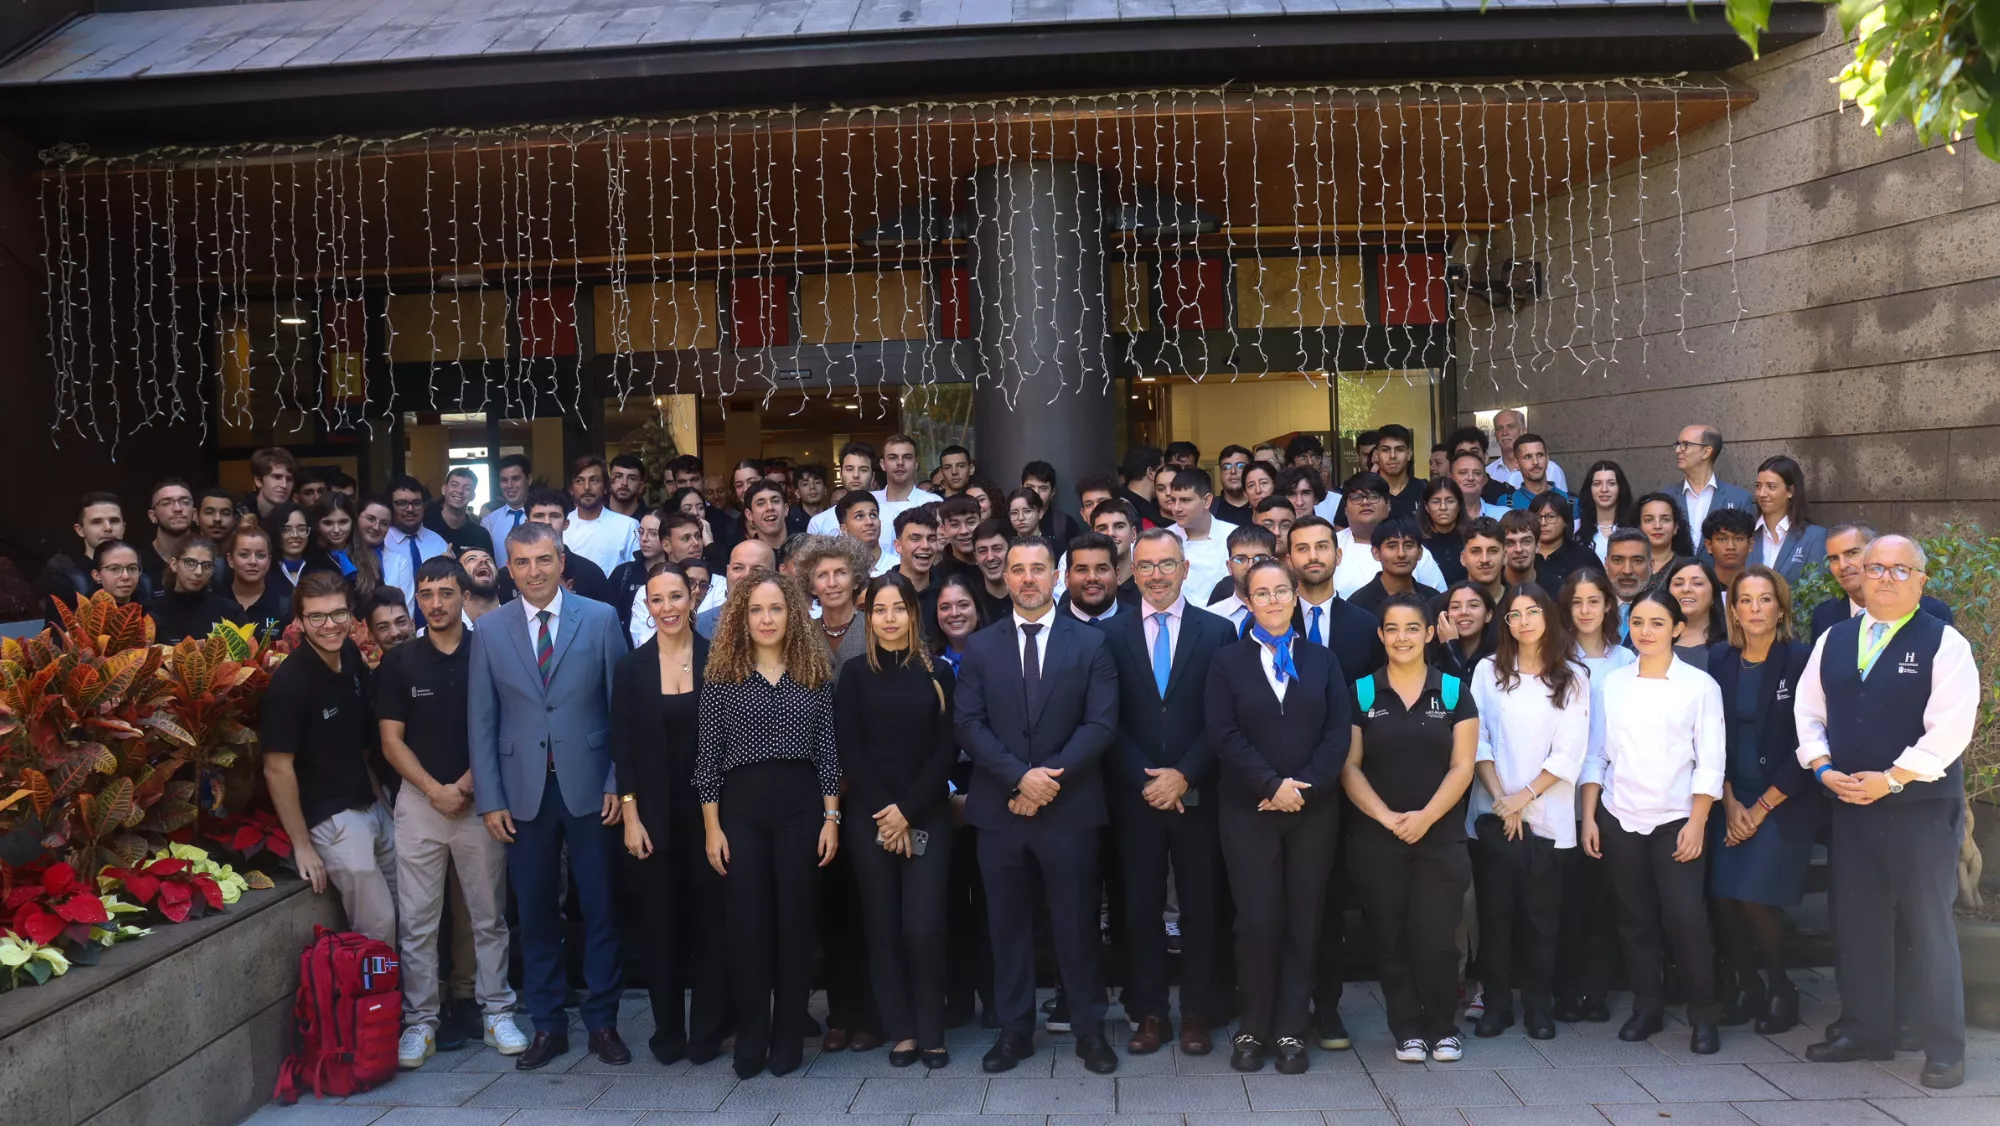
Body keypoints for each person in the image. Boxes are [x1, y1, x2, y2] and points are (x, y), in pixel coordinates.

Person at [1796, 535, 1976, 1089]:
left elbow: (1951, 728)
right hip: (1850, 806)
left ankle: (1944, 1047)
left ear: (1922, 580)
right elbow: (1808, 712)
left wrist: (1893, 778)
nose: (1885, 577)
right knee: (1857, 922)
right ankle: (1864, 1029)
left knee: (1928, 925)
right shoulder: (1834, 638)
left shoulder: (1945, 643)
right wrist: (1822, 767)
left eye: (1901, 569)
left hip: (1920, 809)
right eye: (1875, 567)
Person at [954, 536, 1120, 1076]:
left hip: (1069, 809)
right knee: (1007, 925)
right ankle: (1014, 1030)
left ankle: (1090, 1030)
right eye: (1017, 569)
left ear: (1057, 575)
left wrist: (1047, 781)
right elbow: (968, 725)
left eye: (1038, 569)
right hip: (1000, 811)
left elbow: (1100, 724)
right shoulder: (980, 647)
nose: (1027, 578)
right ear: (1005, 576)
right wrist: (1019, 779)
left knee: (1076, 925)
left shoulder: (1091, 643)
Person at [468, 522, 630, 1070]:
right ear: (507, 568)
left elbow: (620, 711)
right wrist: (490, 798)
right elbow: (481, 721)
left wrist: (617, 784)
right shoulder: (489, 630)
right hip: (521, 795)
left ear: (562, 561)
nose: (534, 572)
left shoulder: (601, 618)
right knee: (535, 911)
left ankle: (604, 1023)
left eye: (543, 560)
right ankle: (547, 1025)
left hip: (591, 787)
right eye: (522, 562)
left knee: (602, 907)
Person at [694, 570, 843, 1079]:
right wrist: (712, 828)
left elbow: (828, 752)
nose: (766, 618)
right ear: (742, 616)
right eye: (756, 609)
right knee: (749, 928)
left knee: (795, 926)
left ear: (792, 615)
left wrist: (832, 818)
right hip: (741, 815)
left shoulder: (814, 671)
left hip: (803, 812)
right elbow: (706, 761)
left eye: (776, 608)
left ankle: (788, 1039)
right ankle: (752, 1037)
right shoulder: (722, 677)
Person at [1207, 558, 1352, 1075]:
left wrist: (1303, 790)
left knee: (1303, 918)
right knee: (1257, 920)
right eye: (1260, 593)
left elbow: (1339, 732)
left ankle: (1292, 1026)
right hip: (1250, 810)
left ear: (1296, 596)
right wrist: (1270, 786)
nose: (1271, 601)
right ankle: (1254, 1025)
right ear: (1246, 601)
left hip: (1312, 811)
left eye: (1281, 592)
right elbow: (1222, 733)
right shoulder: (1226, 662)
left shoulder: (1323, 660)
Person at [379, 558, 526, 1068]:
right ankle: (421, 1022)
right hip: (419, 805)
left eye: (445, 592)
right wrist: (433, 790)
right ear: (416, 599)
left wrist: (465, 784)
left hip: (479, 802)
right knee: (417, 921)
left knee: (488, 915)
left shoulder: (488, 652)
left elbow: (505, 723)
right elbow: (390, 740)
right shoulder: (401, 660)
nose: (435, 603)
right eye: (425, 594)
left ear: (464, 595)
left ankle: (496, 1011)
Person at [1098, 529, 1235, 1056]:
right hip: (1134, 797)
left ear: (1184, 569)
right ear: (1133, 571)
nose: (1156, 575)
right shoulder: (1109, 636)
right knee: (1139, 907)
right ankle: (1149, 1011)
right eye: (1146, 565)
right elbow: (1105, 720)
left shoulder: (1217, 631)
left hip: (1199, 793)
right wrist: (1148, 779)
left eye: (1166, 564)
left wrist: (1185, 774)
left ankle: (1199, 1010)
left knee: (1202, 906)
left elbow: (1222, 718)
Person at [1580, 588, 1726, 1054]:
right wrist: (1590, 816)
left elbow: (1710, 761)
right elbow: (1596, 754)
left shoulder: (1699, 686)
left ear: (1678, 629)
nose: (1645, 631)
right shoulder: (1614, 684)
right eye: (1638, 622)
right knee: (1635, 918)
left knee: (1686, 919)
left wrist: (1699, 821)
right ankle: (1648, 1007)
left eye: (1657, 623)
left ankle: (1704, 1016)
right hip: (1620, 817)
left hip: (1677, 820)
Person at [1341, 594, 1478, 1064]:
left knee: (1438, 938)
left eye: (1412, 628)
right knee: (1391, 936)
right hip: (1379, 839)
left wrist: (1425, 818)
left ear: (1429, 634)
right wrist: (1386, 817)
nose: (1402, 638)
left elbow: (1463, 767)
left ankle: (1442, 1027)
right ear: (1381, 636)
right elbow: (1349, 767)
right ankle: (1406, 1029)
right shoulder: (1361, 691)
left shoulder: (1456, 691)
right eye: (1393, 629)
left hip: (1439, 837)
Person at [835, 572, 959, 1069]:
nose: (889, 619)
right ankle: (902, 1030)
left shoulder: (939, 672)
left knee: (922, 927)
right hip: (870, 819)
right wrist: (887, 813)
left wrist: (907, 811)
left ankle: (932, 1029)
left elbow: (946, 749)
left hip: (926, 813)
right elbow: (851, 749)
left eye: (898, 608)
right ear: (870, 616)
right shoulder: (855, 674)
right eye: (879, 610)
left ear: (914, 612)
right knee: (882, 926)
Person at [612, 561, 731, 1065]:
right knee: (660, 928)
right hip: (653, 818)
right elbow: (624, 748)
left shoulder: (720, 660)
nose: (667, 608)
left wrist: (723, 822)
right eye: (657, 600)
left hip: (712, 815)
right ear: (647, 606)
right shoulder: (631, 668)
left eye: (676, 597)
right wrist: (631, 816)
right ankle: (667, 1033)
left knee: (711, 924)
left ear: (693, 600)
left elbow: (730, 743)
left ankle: (707, 1030)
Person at [1466, 583, 1589, 1041]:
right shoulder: (1487, 672)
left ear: (1548, 616)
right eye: (1513, 615)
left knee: (1542, 918)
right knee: (1496, 917)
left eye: (1532, 611)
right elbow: (1478, 740)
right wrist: (1502, 798)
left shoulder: (1572, 677)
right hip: (1494, 813)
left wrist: (1523, 798)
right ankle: (1497, 1003)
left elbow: (1570, 750)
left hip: (1547, 817)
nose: (1523, 622)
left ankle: (1539, 1005)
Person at [1704, 565, 1817, 1036]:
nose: (1755, 608)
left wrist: (1761, 807)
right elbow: (1712, 737)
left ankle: (1780, 988)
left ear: (1781, 606)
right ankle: (1747, 987)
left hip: (1784, 797)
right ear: (1733, 610)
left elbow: (1810, 742)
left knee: (1752, 897)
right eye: (1745, 600)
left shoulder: (1802, 659)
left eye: (1764, 599)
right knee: (1723, 896)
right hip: (1732, 794)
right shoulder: (1719, 659)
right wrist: (1730, 803)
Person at [261, 571, 395, 944]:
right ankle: (379, 1004)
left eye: (338, 614)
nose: (329, 625)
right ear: (300, 622)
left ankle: (418, 1003)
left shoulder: (349, 652)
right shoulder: (290, 685)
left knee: (412, 908)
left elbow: (357, 739)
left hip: (372, 805)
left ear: (352, 616)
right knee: (378, 926)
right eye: (316, 617)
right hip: (334, 820)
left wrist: (380, 797)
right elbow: (276, 768)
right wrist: (302, 846)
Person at [1552, 569, 1634, 1023]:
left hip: (1615, 790)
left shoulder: (1628, 661)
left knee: (1604, 895)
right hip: (1560, 787)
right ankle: (1564, 989)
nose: (1585, 610)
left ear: (1608, 606)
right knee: (1566, 895)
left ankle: (1596, 990)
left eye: (1593, 601)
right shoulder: (1555, 660)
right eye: (1577, 602)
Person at [1808, 522, 1955, 641]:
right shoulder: (1824, 616)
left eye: (1852, 553)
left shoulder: (1931, 611)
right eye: (1834, 559)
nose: (1843, 565)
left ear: (1875, 551)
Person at [1285, 515, 1384, 683]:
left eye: (1322, 547)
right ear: (1289, 561)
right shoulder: (1272, 623)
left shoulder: (1366, 624)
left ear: (1338, 556)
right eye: (1302, 549)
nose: (1313, 556)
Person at [1333, 474, 1446, 597]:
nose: (1365, 502)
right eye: (1356, 497)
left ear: (1388, 504)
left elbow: (1438, 601)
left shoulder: (1410, 548)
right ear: (1344, 508)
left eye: (1373, 496)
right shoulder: (1331, 545)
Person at [505, 489, 616, 607]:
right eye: (539, 515)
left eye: (554, 516)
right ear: (527, 522)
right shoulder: (507, 576)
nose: (547, 522)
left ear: (566, 523)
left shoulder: (591, 573)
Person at [1162, 467, 1236, 602]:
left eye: (1185, 500)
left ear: (1207, 501)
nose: (1176, 508)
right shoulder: (1163, 539)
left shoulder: (1234, 536)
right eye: (1173, 500)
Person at [1750, 455, 1825, 586]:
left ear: (1790, 491)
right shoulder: (1746, 535)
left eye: (1771, 486)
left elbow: (1817, 594)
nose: (1761, 493)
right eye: (1758, 486)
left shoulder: (1815, 537)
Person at [564, 456, 643, 578]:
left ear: (606, 488)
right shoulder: (561, 525)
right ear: (571, 489)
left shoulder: (627, 526)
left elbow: (633, 575)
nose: (587, 487)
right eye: (579, 481)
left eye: (594, 480)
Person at [1667, 424, 1753, 534]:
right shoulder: (1665, 497)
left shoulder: (1739, 499)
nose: (1678, 450)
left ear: (1706, 452)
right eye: (1677, 444)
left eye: (1685, 444)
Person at [1349, 519, 1443, 619]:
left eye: (1409, 545)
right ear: (1376, 553)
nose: (1401, 554)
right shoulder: (1358, 605)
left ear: (1420, 552)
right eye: (1392, 546)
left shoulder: (1434, 599)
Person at [149, 536, 233, 643]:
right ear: (174, 565)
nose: (198, 572)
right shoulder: (153, 612)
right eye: (190, 563)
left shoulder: (228, 611)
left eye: (206, 565)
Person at [872, 435, 943, 554]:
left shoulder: (933, 503)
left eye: (907, 457)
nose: (900, 463)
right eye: (893, 457)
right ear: (883, 464)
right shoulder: (870, 503)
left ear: (916, 463)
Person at [696, 539, 778, 639]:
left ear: (775, 576)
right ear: (727, 571)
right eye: (738, 568)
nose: (746, 575)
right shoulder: (701, 623)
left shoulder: (790, 621)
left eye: (757, 570)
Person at [1207, 523, 1279, 636]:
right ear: (1229, 566)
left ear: (1274, 564)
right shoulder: (1210, 618)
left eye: (1260, 558)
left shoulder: (1289, 613)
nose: (1250, 566)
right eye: (1241, 559)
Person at [610, 508, 667, 636]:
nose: (644, 539)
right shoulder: (623, 573)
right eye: (641, 532)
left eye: (653, 533)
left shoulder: (677, 573)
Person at [222, 524, 289, 634]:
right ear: (230, 560)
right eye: (244, 555)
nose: (253, 561)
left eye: (261, 555)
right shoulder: (216, 600)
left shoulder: (284, 604)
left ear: (269, 561)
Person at [1487, 409, 1570, 495]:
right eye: (1499, 428)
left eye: (1511, 426)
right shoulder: (1488, 472)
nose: (1504, 433)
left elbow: (1562, 505)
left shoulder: (1551, 470)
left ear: (1523, 431)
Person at [1527, 493, 1596, 592]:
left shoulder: (1584, 556)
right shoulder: (1525, 556)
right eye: (1537, 518)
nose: (1543, 523)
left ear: (1565, 521)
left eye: (1550, 517)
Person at [1661, 557, 1726, 662]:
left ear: (1714, 595)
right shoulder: (1651, 642)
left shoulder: (1733, 648)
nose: (1686, 589)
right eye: (1678, 584)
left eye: (1697, 583)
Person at [807, 442, 879, 536]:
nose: (856, 475)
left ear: (873, 476)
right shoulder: (819, 523)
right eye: (849, 469)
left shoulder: (891, 517)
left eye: (863, 470)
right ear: (840, 474)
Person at [421, 467, 495, 558]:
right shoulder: (425, 524)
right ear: (444, 489)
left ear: (473, 496)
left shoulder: (480, 534)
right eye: (454, 485)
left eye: (467, 488)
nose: (460, 491)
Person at [1429, 581, 1496, 681]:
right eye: (1455, 607)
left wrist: (1451, 646)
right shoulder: (1430, 659)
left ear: (1488, 615)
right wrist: (1449, 646)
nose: (1464, 612)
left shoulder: (1499, 658)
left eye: (1473, 605)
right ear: (1445, 615)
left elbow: (1467, 693)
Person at [139, 478, 196, 588]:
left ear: (194, 513)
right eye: (166, 503)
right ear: (153, 516)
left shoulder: (210, 562)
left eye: (185, 502)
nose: (178, 508)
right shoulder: (137, 564)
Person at [1057, 532, 1124, 623]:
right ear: (1067, 577)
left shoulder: (1138, 623)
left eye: (1101, 569)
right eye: (1082, 570)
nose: (1092, 577)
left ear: (1117, 575)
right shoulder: (1050, 625)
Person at [1499, 433, 1573, 513]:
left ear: (1547, 459)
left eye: (1540, 455)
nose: (1535, 462)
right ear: (1516, 463)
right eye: (1528, 457)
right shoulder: (1506, 503)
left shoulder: (1569, 502)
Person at [1603, 529, 1655, 642]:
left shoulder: (1663, 609)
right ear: (1606, 564)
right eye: (1618, 560)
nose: (1627, 571)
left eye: (1637, 561)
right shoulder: (1590, 609)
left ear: (1651, 565)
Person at [1089, 495, 1142, 603]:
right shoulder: (1082, 590)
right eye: (1102, 528)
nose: (1110, 533)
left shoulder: (1148, 587)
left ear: (1133, 534)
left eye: (1119, 526)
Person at [1583, 461, 1638, 560]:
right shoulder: (1577, 530)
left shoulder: (1636, 528)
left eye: (1611, 483)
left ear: (1620, 488)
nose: (1604, 489)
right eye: (1597, 484)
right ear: (1589, 490)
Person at [1370, 424, 1427, 519]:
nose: (1392, 455)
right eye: (1385, 450)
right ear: (1376, 455)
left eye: (1399, 449)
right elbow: (1342, 529)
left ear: (1409, 454)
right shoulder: (1362, 492)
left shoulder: (1425, 490)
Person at [1418, 476, 1468, 585]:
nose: (1443, 507)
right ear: (1426, 507)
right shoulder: (1417, 541)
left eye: (1450, 501)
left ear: (1459, 504)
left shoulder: (1471, 537)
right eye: (1436, 502)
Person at [968, 518, 1016, 624]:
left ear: (1011, 552)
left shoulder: (1027, 596)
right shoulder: (970, 603)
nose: (990, 557)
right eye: (982, 551)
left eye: (997, 549)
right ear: (975, 557)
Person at [1634, 491, 1694, 575]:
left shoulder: (1691, 568)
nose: (1657, 526)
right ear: (1639, 527)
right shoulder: (1628, 567)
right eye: (1649, 520)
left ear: (1675, 528)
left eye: (1665, 519)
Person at [480, 454, 533, 543]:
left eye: (515, 479)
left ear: (529, 480)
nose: (509, 486)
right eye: (504, 480)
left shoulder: (543, 518)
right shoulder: (489, 523)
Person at [1702, 508, 1758, 589]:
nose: (1730, 547)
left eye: (1739, 538)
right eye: (1722, 539)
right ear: (1709, 545)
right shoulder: (1701, 589)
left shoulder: (1762, 588)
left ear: (1751, 544)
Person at [1118, 444, 1167, 529]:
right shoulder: (1123, 511)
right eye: (1162, 470)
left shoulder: (1159, 506)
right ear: (1151, 472)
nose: (1166, 476)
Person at [1452, 452, 1510, 521]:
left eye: (1477, 473)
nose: (1470, 478)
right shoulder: (1441, 518)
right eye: (1463, 472)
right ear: (1450, 477)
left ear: (1484, 479)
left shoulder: (1503, 516)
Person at [248, 446, 299, 519]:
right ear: (258, 481)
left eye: (289, 479)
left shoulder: (298, 517)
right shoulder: (240, 516)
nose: (284, 485)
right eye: (277, 477)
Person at [1211, 445, 1256, 525]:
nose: (1233, 471)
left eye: (1240, 466)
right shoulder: (1209, 509)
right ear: (1220, 474)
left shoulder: (1263, 506)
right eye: (1226, 467)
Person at [458, 548, 505, 621]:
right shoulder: (447, 625)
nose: (483, 560)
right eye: (471, 559)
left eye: (488, 559)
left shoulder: (518, 622)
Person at [1498, 512, 1542, 590]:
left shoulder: (1556, 588)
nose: (1519, 549)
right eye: (1509, 543)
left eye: (1526, 541)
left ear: (1537, 546)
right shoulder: (1490, 589)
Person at [605, 454, 648, 520]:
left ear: (641, 486)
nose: (624, 483)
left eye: (632, 478)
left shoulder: (650, 520)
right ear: (609, 481)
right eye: (618, 477)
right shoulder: (594, 514)